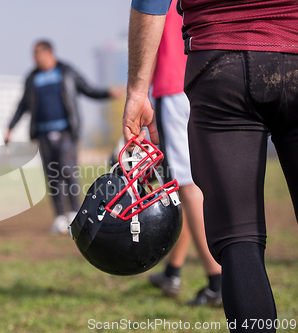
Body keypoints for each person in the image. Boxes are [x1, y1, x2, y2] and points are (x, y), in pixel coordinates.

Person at [123, 1, 298, 332]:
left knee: (239, 238)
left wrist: (136, 89)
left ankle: (194, 275)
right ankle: (181, 272)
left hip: (221, 64)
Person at [147, 1, 222, 306]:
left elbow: (147, 41)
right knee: (193, 183)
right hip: (202, 83)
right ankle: (173, 270)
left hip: (172, 89)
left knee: (187, 187)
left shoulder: (159, 3)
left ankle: (217, 281)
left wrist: (137, 94)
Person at [6, 40, 123, 234]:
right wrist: (10, 127)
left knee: (68, 173)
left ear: (49, 52)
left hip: (66, 133)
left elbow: (88, 89)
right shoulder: (32, 78)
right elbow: (23, 105)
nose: (33, 58)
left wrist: (108, 93)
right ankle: (60, 217)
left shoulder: (66, 72)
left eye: (37, 53)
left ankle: (75, 213)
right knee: (53, 177)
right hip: (43, 135)